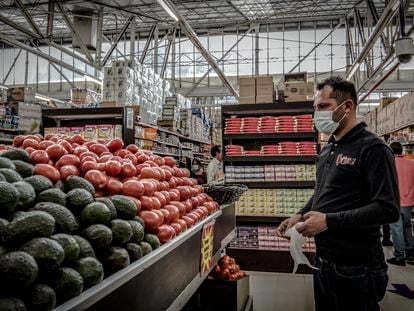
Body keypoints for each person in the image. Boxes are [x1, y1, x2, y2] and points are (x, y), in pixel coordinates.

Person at [276, 77, 400, 311]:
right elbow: (322, 193)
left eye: (324, 107)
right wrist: (299, 216)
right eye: (315, 108)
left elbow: (388, 208)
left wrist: (328, 221)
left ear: (348, 107)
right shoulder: (327, 149)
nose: (317, 115)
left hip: (357, 267)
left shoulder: (373, 149)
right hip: (323, 261)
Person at [387, 141, 414, 266]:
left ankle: (400, 256)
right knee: (407, 226)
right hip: (409, 201)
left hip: (395, 202)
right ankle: (411, 252)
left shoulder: (390, 164)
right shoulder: (411, 164)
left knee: (397, 229)